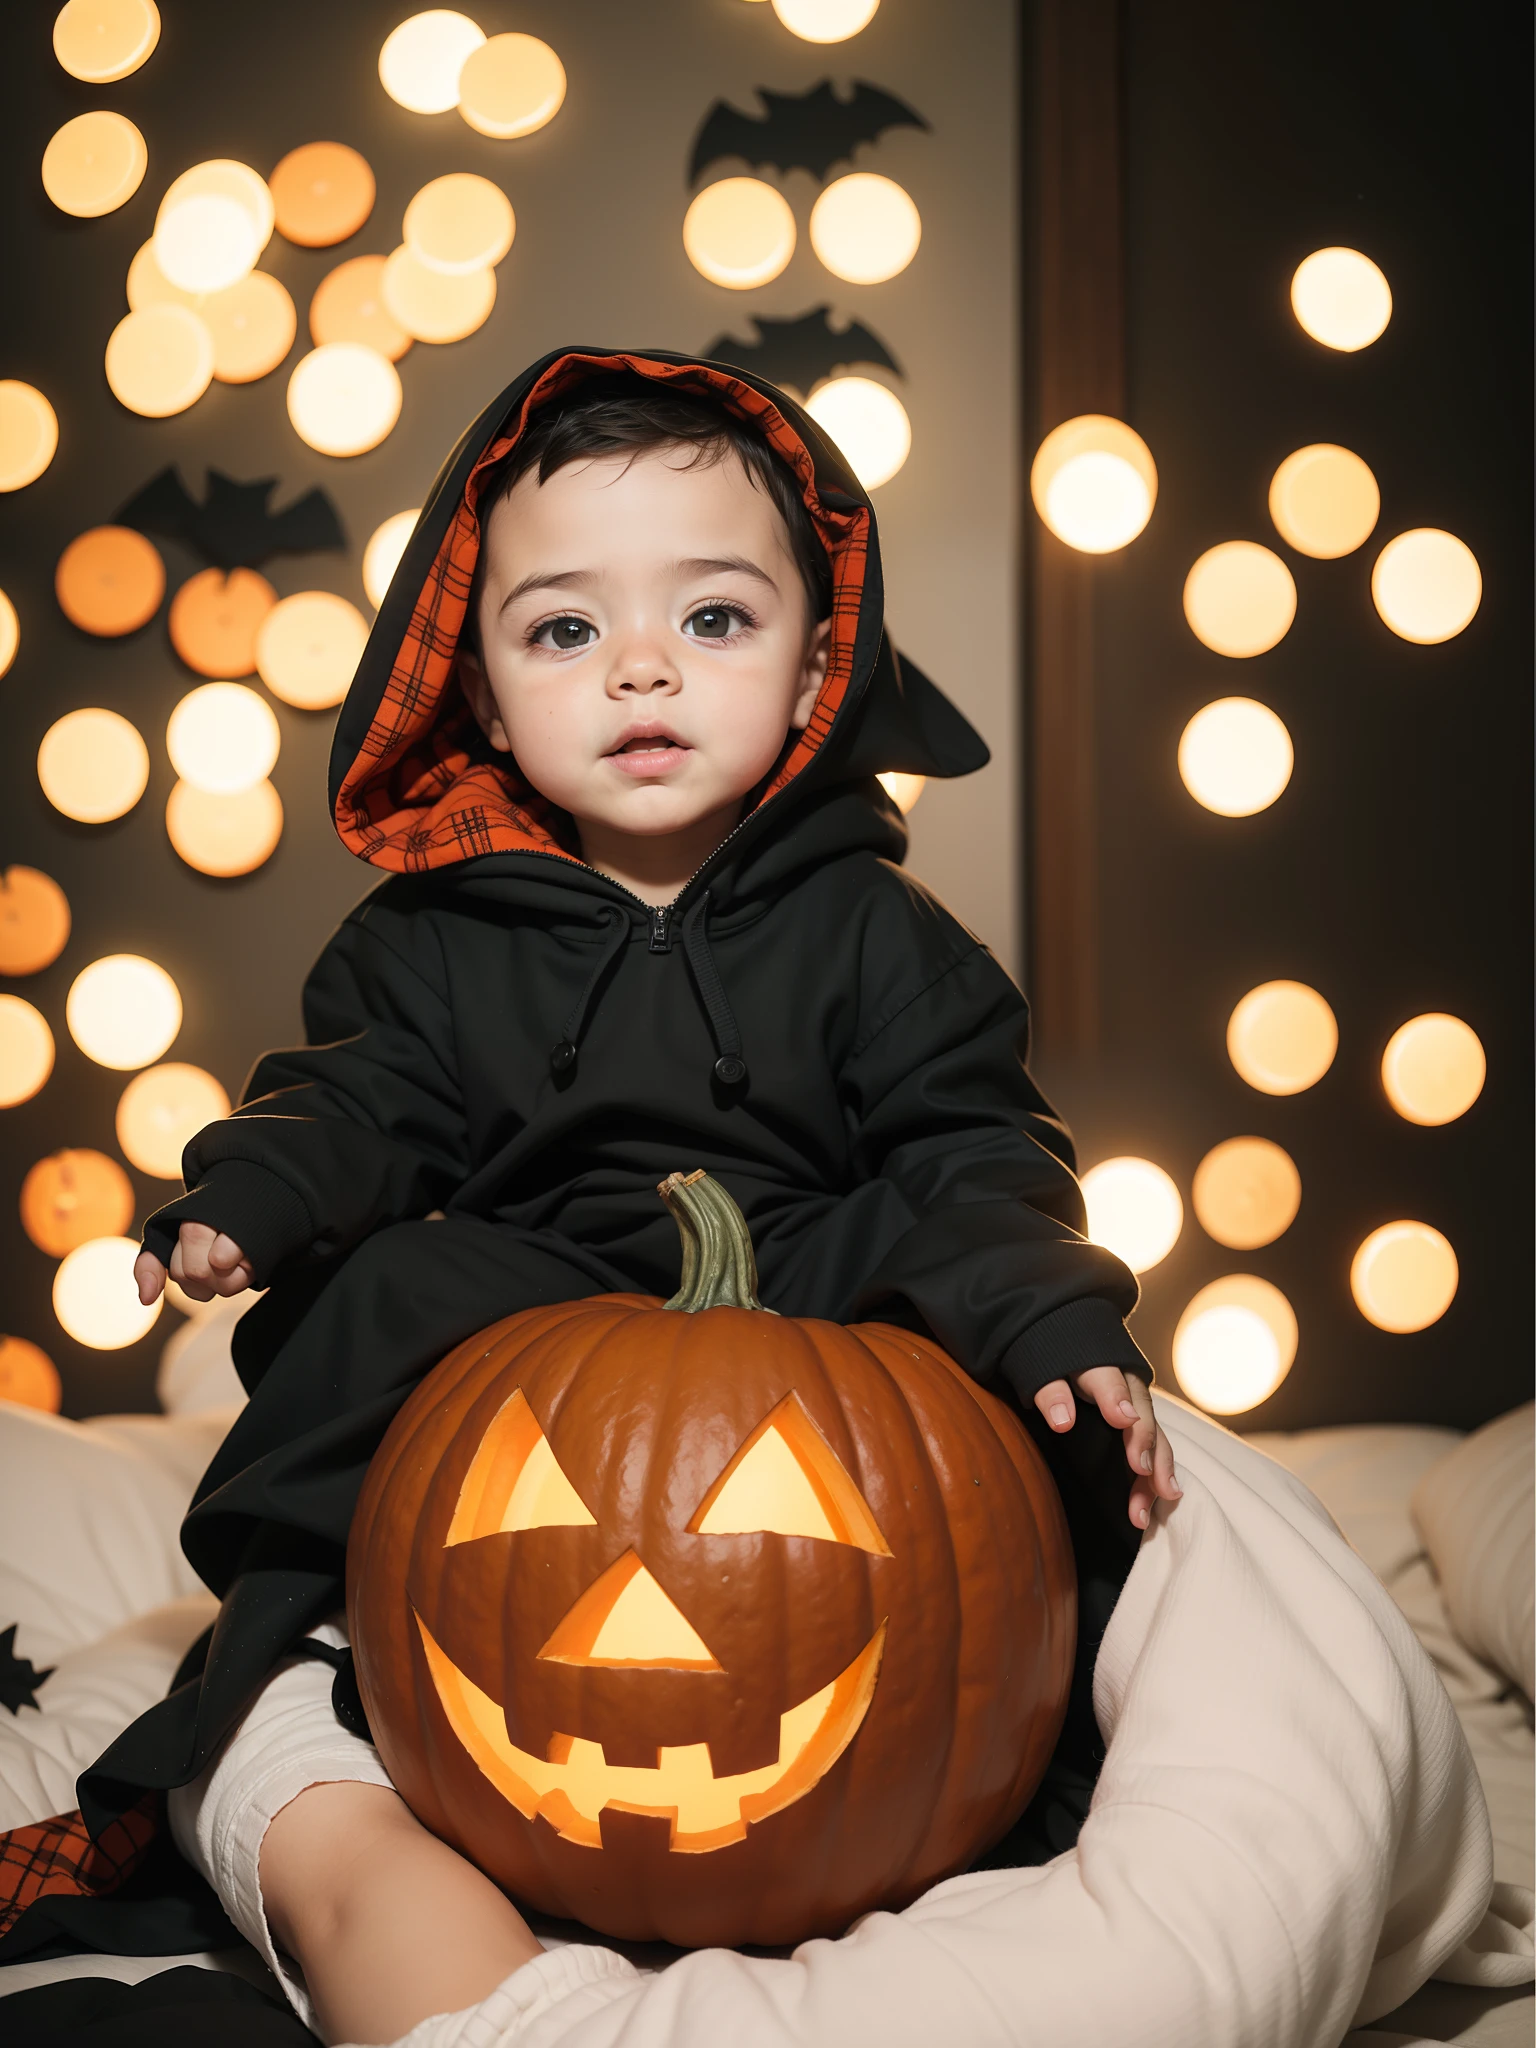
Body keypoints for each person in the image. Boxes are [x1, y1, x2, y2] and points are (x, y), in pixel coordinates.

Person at [100, 349, 1179, 2048]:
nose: (643, 669)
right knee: (387, 1295)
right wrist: (253, 1192)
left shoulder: (883, 936)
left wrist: (1038, 1300)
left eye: (715, 620)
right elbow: (358, 1097)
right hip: (535, 1290)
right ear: (481, 690)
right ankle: (314, 1614)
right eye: (565, 631)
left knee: (990, 1331)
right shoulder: (431, 940)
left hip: (806, 1278)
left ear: (820, 665)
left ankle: (1075, 1697)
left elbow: (970, 1142)